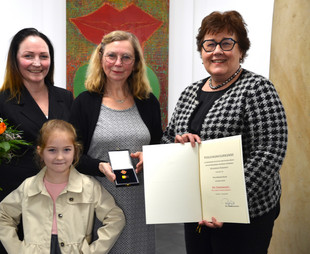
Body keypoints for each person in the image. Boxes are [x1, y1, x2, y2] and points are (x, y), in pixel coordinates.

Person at [161, 11, 288, 254]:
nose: (217, 50)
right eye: (209, 44)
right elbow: (168, 136)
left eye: (227, 43)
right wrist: (178, 143)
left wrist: (227, 202)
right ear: (201, 52)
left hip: (245, 214)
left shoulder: (257, 88)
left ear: (241, 50)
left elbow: (270, 150)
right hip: (196, 210)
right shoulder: (189, 92)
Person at [0, 28, 74, 253]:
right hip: (14, 201)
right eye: (28, 56)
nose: (37, 63)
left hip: (60, 202)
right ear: (15, 60)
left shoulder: (65, 97)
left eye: (43, 56)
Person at [70, 30, 163, 253]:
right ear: (100, 58)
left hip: (140, 200)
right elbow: (71, 154)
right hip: (99, 199)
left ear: (136, 63)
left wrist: (149, 156)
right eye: (111, 56)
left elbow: (159, 145)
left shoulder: (148, 102)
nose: (118, 63)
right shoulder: (84, 103)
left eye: (126, 57)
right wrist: (98, 166)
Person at [0, 119, 125, 254]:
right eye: (52, 150)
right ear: (40, 151)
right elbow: (3, 216)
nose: (60, 157)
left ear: (75, 151)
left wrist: (94, 251)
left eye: (67, 149)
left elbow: (115, 217)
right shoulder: (28, 186)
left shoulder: (89, 186)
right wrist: (17, 250)